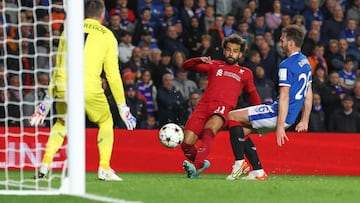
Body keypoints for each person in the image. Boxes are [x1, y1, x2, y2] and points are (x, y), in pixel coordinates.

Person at [29, 0, 136, 181]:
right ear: (102, 15)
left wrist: (46, 102)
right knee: (105, 121)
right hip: (89, 88)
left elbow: (58, 67)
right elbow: (113, 75)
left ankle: (45, 164)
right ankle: (104, 167)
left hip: (64, 86)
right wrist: (122, 106)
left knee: (62, 123)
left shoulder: (68, 30)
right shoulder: (108, 35)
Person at [226, 25, 313, 180]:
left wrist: (280, 126)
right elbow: (309, 93)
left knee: (232, 116)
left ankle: (239, 165)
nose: (280, 42)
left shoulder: (286, 65)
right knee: (241, 132)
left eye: (283, 39)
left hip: (278, 114)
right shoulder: (305, 62)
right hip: (289, 117)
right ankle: (258, 172)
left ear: (291, 43)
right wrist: (304, 119)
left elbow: (285, 97)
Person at [180, 34, 262, 179]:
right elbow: (186, 66)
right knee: (186, 143)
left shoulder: (245, 73)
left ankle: (197, 166)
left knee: (209, 129)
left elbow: (253, 94)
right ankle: (200, 163)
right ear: (224, 51)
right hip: (203, 106)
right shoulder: (214, 65)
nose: (231, 53)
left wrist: (261, 115)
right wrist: (200, 59)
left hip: (224, 107)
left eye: (235, 51)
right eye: (229, 50)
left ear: (240, 54)